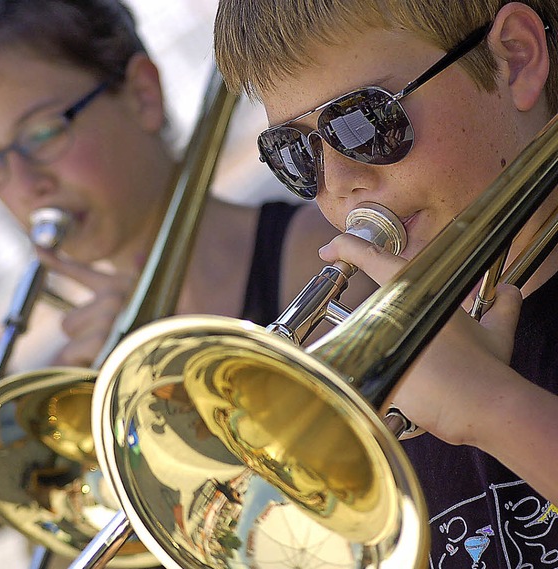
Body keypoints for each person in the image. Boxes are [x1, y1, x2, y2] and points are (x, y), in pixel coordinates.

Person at [0, 0, 353, 566]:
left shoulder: (327, 263)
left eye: (42, 133)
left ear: (144, 94)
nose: (25, 185)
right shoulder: (77, 384)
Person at [214, 0, 558, 567]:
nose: (341, 184)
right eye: (298, 154)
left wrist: (495, 410)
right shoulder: (395, 400)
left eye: (364, 122)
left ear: (515, 59)